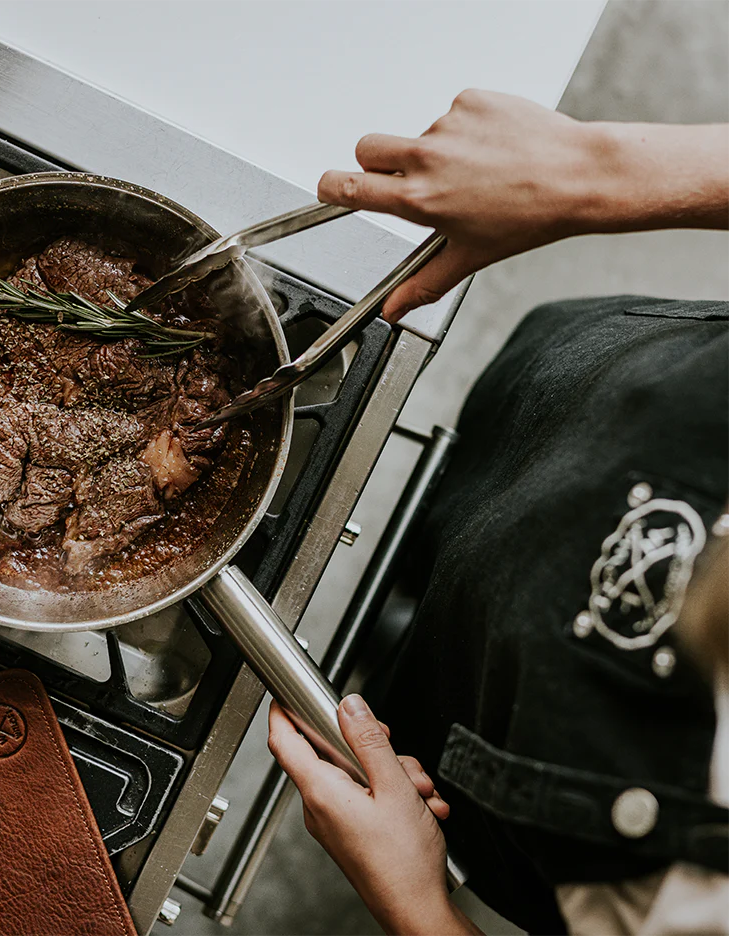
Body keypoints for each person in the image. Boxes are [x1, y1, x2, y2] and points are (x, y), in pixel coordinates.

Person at [267, 90, 729, 935]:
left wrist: (413, 902)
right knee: (456, 538)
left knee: (424, 671)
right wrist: (592, 170)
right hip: (611, 410)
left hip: (520, 780)